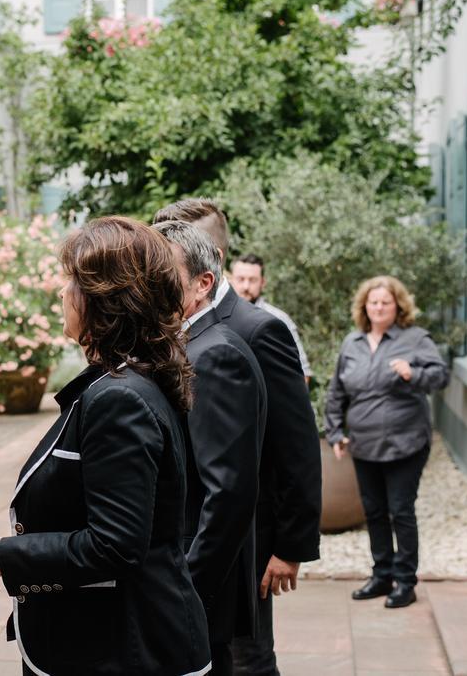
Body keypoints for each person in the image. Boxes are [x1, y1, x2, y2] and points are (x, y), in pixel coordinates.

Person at [0, 217, 212, 676]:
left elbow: (116, 546)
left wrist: (4, 556)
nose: (62, 294)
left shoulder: (121, 398)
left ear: (106, 301)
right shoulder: (127, 381)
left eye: (72, 282)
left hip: (123, 651)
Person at [154, 199, 321, 676]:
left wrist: (290, 546)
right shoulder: (177, 324)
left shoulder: (258, 329)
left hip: (250, 533)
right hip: (199, 526)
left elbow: (296, 444)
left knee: (248, 657)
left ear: (209, 259)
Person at [157, 222, 266, 676]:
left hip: (197, 585)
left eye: (164, 274)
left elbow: (228, 496)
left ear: (202, 284)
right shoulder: (189, 344)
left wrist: (187, 590)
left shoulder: (214, 355)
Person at [324, 275, 449, 609]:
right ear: (364, 306)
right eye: (373, 302)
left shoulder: (415, 339)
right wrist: (335, 431)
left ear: (398, 306)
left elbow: (441, 375)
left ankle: (405, 582)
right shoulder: (353, 342)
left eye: (386, 302)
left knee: (400, 512)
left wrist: (414, 373)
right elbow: (336, 392)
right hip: (364, 446)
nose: (378, 307)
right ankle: (381, 577)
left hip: (406, 443)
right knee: (375, 512)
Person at [230, 254, 312, 381]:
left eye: (252, 280)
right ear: (231, 279)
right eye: (241, 279)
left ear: (263, 283)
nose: (246, 286)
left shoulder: (279, 319)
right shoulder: (216, 315)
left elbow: (302, 373)